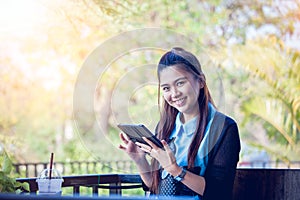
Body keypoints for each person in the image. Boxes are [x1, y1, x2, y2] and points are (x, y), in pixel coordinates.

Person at [119, 47, 240, 199]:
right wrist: (140, 161)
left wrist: (175, 169)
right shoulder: (165, 127)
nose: (174, 94)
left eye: (180, 83)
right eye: (166, 88)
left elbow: (218, 192)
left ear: (201, 81)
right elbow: (156, 187)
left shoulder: (224, 128)